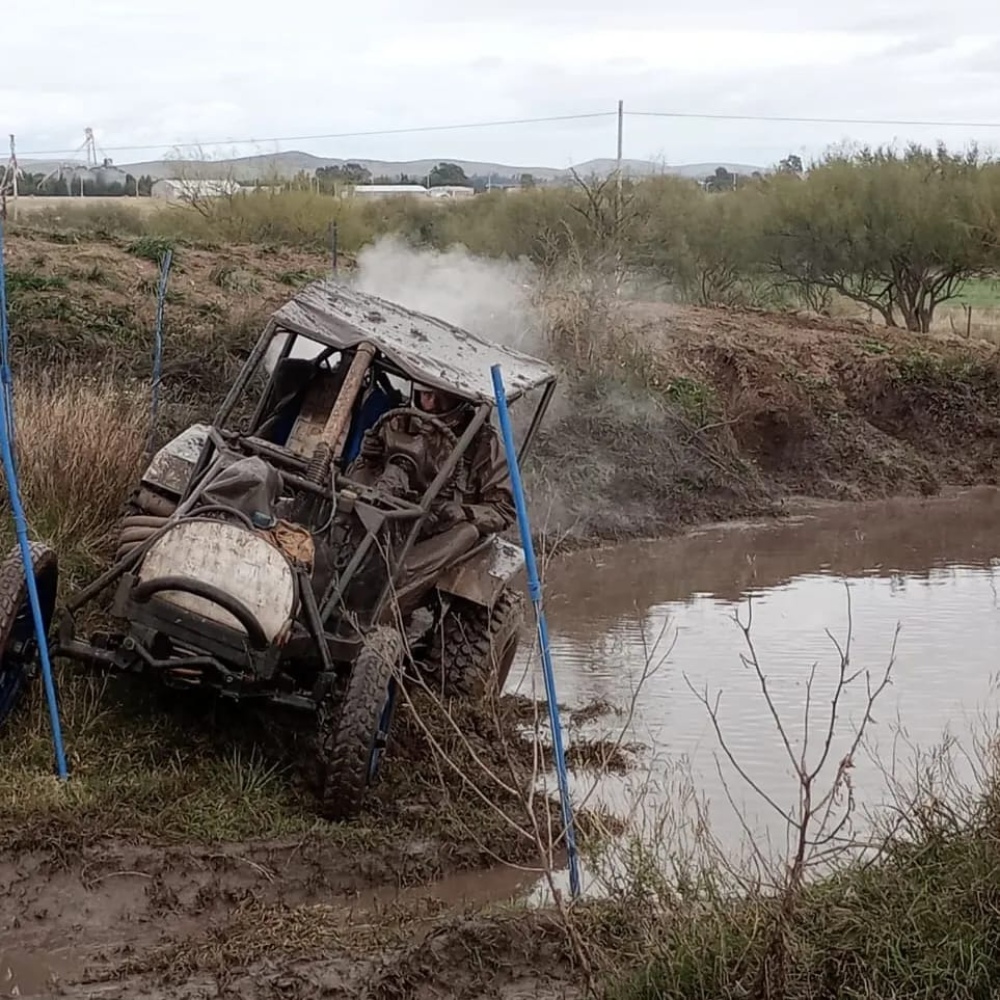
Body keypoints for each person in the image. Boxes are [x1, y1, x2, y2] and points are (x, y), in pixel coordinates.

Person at [346, 384, 515, 593]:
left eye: (442, 397)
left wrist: (465, 512)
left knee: (468, 533)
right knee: (347, 489)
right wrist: (367, 459)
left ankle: (395, 581)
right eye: (426, 394)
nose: (431, 403)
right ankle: (339, 552)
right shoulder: (397, 420)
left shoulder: (484, 443)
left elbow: (503, 510)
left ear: (459, 399)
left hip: (437, 529)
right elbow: (363, 472)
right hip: (383, 509)